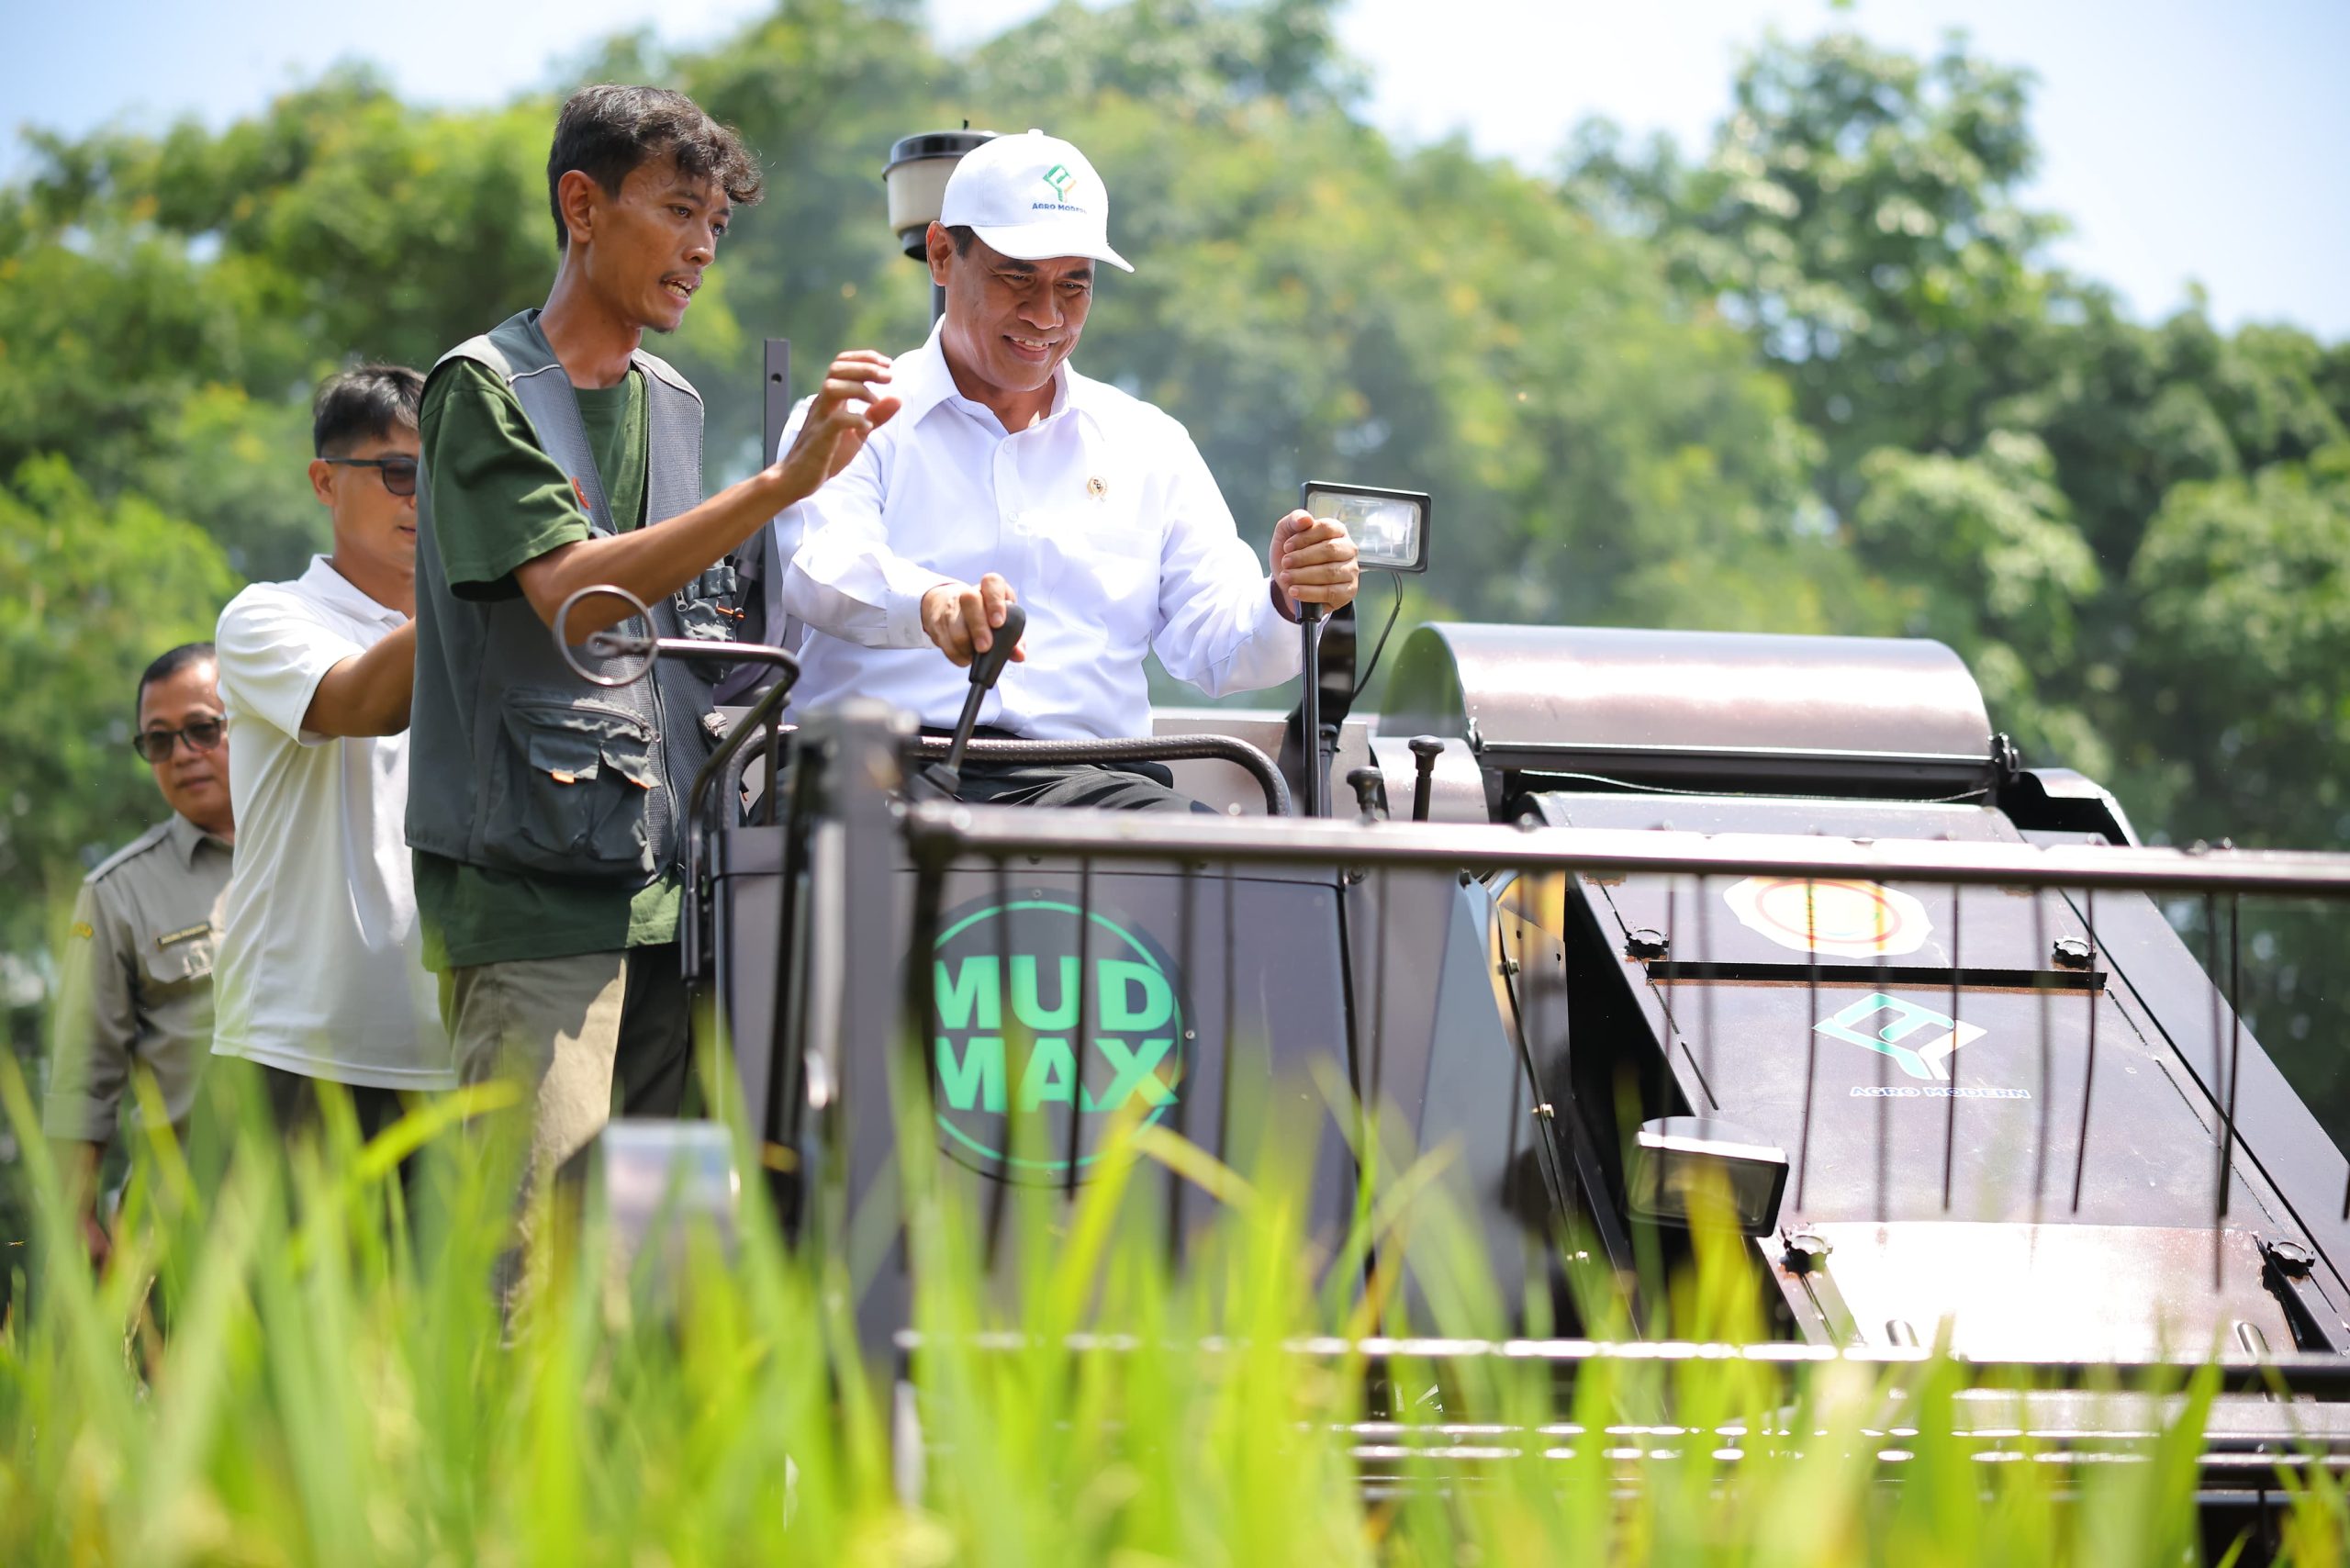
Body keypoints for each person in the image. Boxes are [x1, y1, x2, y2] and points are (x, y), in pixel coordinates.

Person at [406, 84, 893, 1220]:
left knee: (653, 1269)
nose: (702, 246)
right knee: (529, 1262)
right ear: (582, 204)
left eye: (717, 224)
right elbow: (574, 597)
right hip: (533, 902)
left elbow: (689, 633)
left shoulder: (670, 400)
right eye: (679, 210)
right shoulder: (482, 390)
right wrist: (778, 486)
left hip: (672, 902)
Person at [776, 129, 1361, 812]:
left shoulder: (1149, 443)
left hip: (1096, 792)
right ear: (941, 254)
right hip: (872, 775)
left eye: (1073, 286)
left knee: (1239, 879)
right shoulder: (860, 414)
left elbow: (1221, 646)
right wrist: (931, 602)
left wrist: (1292, 597)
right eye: (1016, 276)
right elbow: (820, 568)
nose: (1046, 315)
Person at [211, 365, 452, 1137]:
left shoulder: (490, 627)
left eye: (443, 473)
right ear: (324, 480)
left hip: (457, 1054)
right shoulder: (267, 616)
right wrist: (492, 578)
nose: (422, 497)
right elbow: (360, 703)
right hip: (294, 1046)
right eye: (397, 472)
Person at [43, 644, 235, 1266]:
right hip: (183, 1224)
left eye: (204, 729)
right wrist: (75, 1213)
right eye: (159, 741)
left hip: (339, 1195)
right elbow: (84, 1071)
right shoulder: (117, 893)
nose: (183, 754)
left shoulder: (324, 850)